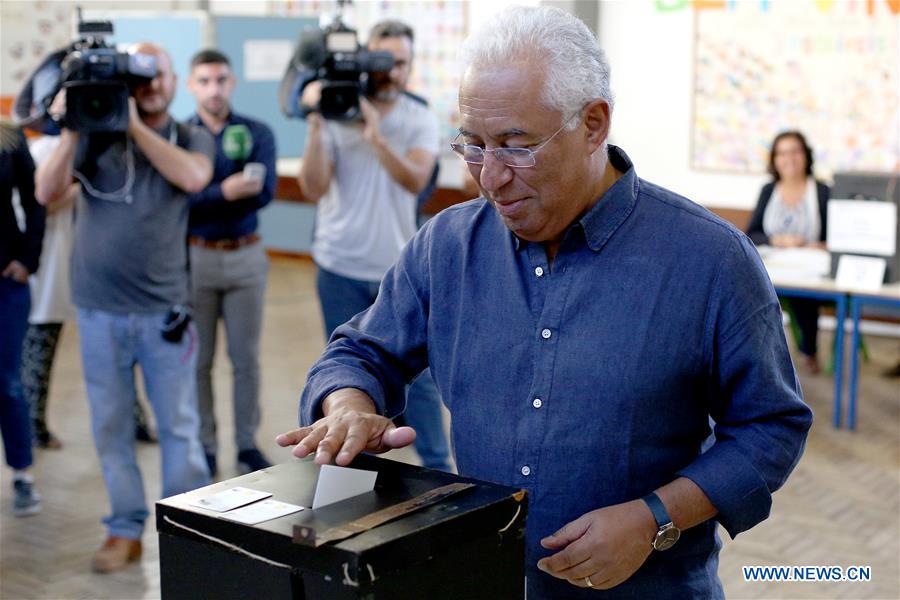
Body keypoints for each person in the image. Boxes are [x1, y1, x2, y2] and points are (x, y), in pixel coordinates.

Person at [278, 6, 812, 598]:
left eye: (515, 146)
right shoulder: (448, 246)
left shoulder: (711, 261)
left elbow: (770, 428)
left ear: (593, 123)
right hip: (488, 578)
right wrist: (348, 405)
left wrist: (656, 518)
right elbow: (360, 351)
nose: (490, 178)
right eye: (473, 146)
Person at [35, 42, 214, 573]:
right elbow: (47, 193)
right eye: (142, 76)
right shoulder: (92, 138)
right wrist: (74, 125)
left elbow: (194, 178)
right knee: (111, 427)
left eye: (160, 75)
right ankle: (124, 528)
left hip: (164, 315)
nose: (153, 84)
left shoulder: (188, 135)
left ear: (174, 80)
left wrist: (133, 125)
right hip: (98, 313)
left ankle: (188, 533)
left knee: (179, 429)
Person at [296, 20, 452, 472]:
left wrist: (375, 137)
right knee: (351, 376)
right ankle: (359, 478)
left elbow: (416, 179)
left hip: (399, 270)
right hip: (339, 266)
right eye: (381, 60)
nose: (389, 71)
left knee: (420, 387)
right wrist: (315, 124)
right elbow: (311, 187)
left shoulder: (418, 117)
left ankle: (439, 476)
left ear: (410, 66)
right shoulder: (334, 113)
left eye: (398, 62)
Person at [186, 49, 277, 477]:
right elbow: (181, 205)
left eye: (220, 79)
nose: (213, 88)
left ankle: (245, 444)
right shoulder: (181, 137)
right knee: (198, 361)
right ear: (191, 86)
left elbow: (262, 192)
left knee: (246, 360)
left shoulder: (256, 132)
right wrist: (224, 193)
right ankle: (204, 444)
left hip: (245, 255)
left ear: (232, 82)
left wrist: (208, 194)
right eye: (204, 81)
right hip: (195, 258)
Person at [746, 131, 830, 374]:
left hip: (811, 271)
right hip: (774, 268)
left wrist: (820, 245)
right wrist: (778, 239)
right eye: (782, 153)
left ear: (806, 156)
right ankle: (755, 356)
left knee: (802, 294)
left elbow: (835, 237)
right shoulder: (768, 190)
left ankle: (808, 351)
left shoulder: (822, 190)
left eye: (795, 151)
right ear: (774, 159)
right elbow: (752, 233)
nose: (789, 158)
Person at [20, 134, 77, 450]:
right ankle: (33, 427)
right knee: (37, 355)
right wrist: (77, 189)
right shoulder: (43, 149)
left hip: (81, 269)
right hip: (46, 271)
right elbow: (39, 203)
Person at [0, 120, 45, 517]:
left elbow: (35, 200)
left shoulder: (10, 138)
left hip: (6, 282)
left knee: (7, 383)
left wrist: (28, 259)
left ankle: (22, 475)